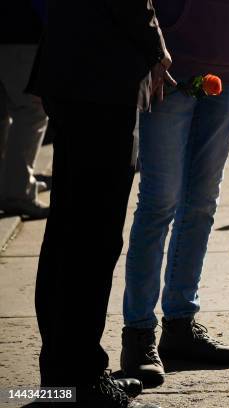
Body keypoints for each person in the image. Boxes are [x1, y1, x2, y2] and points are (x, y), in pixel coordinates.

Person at [120, 0, 229, 386]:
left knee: (201, 205)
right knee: (159, 203)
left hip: (227, 74)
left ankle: (180, 325)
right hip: (168, 71)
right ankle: (139, 334)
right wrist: (152, 54)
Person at [32, 1, 173, 406]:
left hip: (75, 69)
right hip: (100, 76)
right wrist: (157, 47)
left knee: (69, 229)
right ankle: (82, 378)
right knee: (91, 235)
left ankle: (64, 374)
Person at [0, 0, 49, 219]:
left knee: (6, 113)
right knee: (31, 112)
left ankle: (11, 182)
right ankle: (17, 190)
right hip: (24, 34)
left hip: (9, 29)